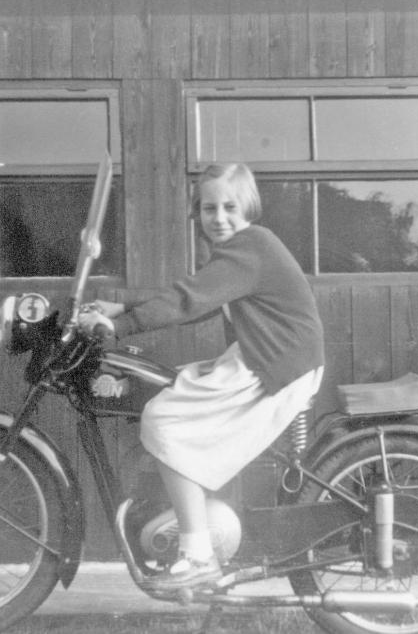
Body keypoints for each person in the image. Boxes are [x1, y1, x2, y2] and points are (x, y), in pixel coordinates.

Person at [78, 163, 325, 591]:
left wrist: (121, 326)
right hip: (265, 357)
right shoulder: (242, 252)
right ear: (198, 213)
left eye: (230, 206)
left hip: (277, 364)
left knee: (166, 419)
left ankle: (197, 553)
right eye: (209, 208)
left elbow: (189, 300)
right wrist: (123, 306)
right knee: (171, 396)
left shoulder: (253, 246)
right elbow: (200, 295)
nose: (219, 217)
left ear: (249, 207)